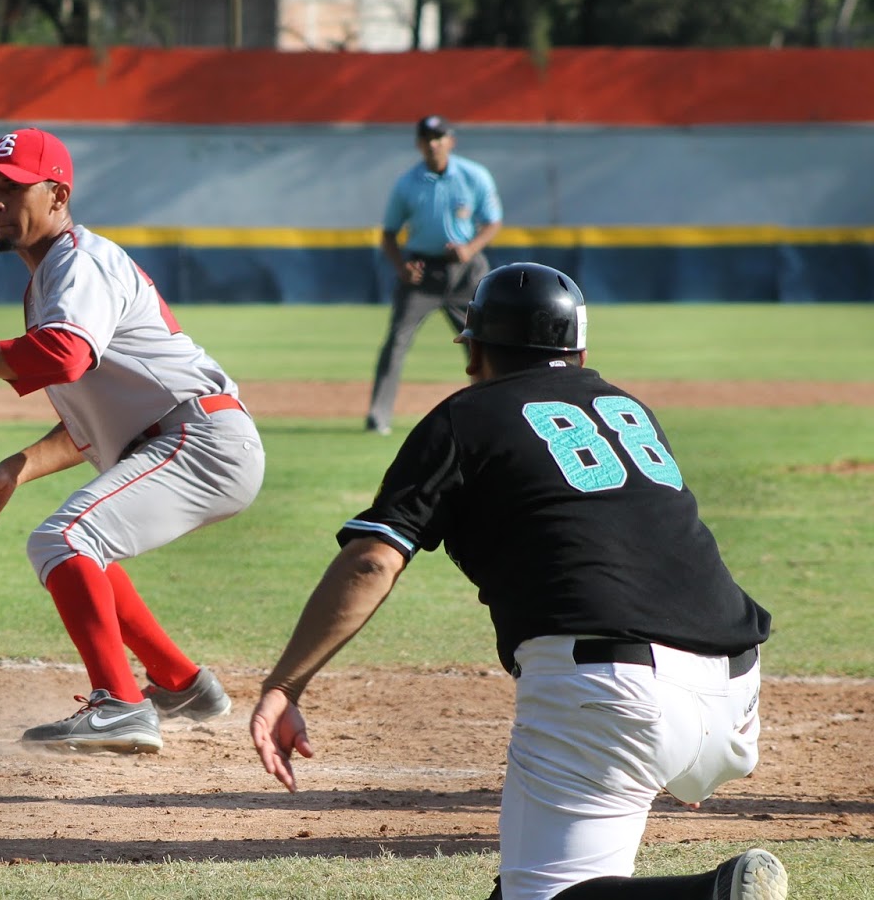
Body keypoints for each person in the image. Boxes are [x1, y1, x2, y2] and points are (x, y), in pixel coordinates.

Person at [250, 263, 786, 900]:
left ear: (474, 350)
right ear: (580, 351)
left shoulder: (466, 417)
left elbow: (372, 561)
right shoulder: (627, 409)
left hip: (611, 691)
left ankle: (717, 892)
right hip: (734, 691)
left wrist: (285, 685)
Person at [0, 126, 265, 754]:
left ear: (58, 195)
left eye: (15, 187)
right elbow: (88, 424)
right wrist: (16, 467)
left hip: (199, 438)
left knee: (64, 540)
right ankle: (181, 684)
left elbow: (62, 356)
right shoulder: (51, 278)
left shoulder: (80, 261)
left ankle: (120, 705)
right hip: (186, 438)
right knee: (80, 548)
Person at [365, 114, 504, 436]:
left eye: (439, 138)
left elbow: (492, 221)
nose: (433, 145)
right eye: (427, 139)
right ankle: (378, 416)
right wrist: (401, 267)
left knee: (482, 344)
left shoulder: (473, 176)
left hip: (466, 272)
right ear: (419, 144)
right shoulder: (408, 183)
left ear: (450, 141)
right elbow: (389, 233)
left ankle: (494, 409)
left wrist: (470, 249)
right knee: (396, 341)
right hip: (422, 272)